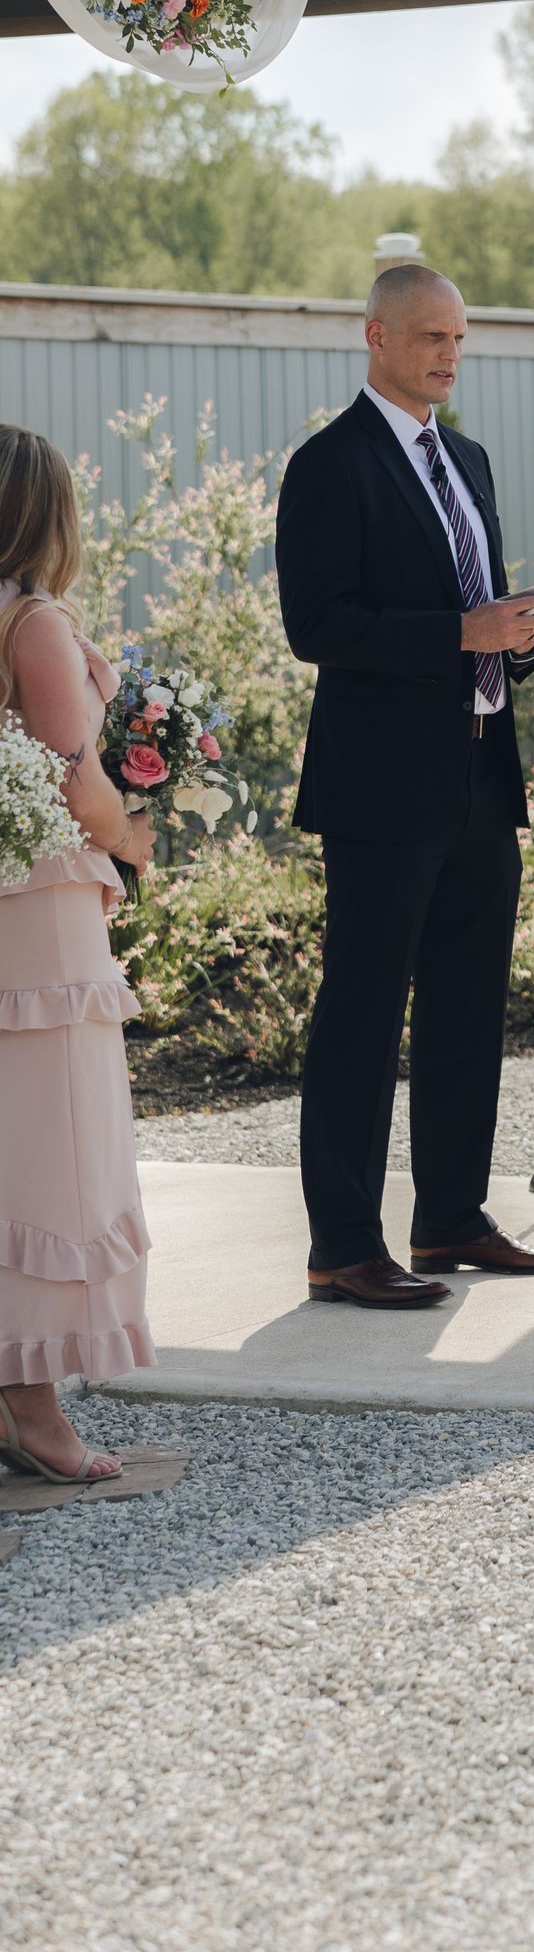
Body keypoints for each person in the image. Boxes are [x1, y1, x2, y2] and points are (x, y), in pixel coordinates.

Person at [277, 263, 534, 1308]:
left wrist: (519, 633)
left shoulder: (473, 461)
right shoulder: (331, 465)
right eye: (429, 338)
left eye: (458, 338)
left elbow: (478, 607)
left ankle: (450, 1218)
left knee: (467, 1005)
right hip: (380, 788)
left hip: (481, 775)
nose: (448, 355)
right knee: (362, 1011)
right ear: (375, 336)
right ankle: (343, 1246)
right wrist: (461, 632)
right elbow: (316, 625)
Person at [0, 425, 156, 1484]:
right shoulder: (35, 619)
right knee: (49, 1149)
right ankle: (37, 1406)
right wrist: (134, 831)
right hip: (42, 920)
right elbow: (72, 782)